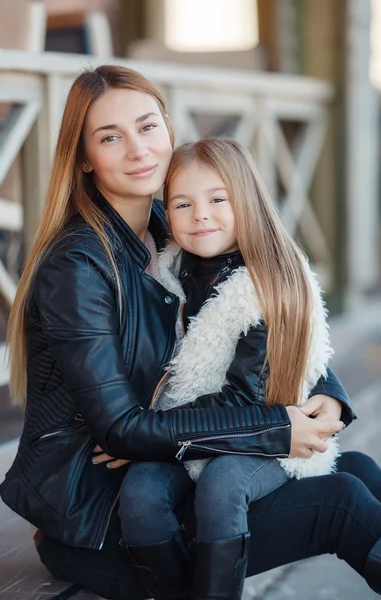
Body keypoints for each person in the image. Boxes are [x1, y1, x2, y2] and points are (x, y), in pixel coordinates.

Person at [0, 64, 378, 600]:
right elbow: (121, 431)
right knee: (342, 501)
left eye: (148, 126)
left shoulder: (171, 224)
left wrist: (327, 396)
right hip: (105, 513)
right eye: (110, 137)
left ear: (168, 129)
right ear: (83, 157)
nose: (138, 149)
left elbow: (255, 315)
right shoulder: (78, 268)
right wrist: (276, 428)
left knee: (357, 466)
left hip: (170, 467)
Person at [115, 137, 381, 600]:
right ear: (166, 212)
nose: (200, 214)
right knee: (139, 493)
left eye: (218, 199)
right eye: (182, 203)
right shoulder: (167, 270)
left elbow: (250, 397)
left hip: (265, 434)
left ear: (249, 201)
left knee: (222, 484)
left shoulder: (265, 283)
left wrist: (145, 431)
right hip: (186, 433)